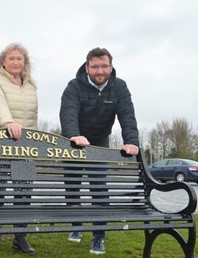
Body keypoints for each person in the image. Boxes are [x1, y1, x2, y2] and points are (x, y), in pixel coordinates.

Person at [59, 47, 139, 255]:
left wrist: (131, 141)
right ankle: (76, 225)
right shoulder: (74, 86)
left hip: (99, 142)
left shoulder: (120, 87)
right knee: (72, 186)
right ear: (87, 68)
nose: (100, 71)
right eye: (95, 67)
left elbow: (127, 115)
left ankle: (98, 236)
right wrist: (73, 135)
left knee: (99, 187)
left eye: (104, 66)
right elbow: (68, 112)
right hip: (73, 142)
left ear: (111, 67)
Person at [0, 43, 38, 254]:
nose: (15, 62)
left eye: (19, 59)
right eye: (11, 58)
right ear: (3, 61)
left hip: (25, 148)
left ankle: (20, 236)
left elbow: (34, 118)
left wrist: (36, 144)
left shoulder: (31, 85)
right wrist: (7, 122)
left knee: (24, 192)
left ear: (25, 63)